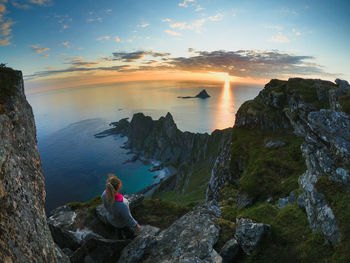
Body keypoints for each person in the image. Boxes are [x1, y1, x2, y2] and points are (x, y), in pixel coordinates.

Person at [101, 174, 141, 239]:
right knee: (128, 232)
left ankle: (119, 239)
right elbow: (128, 218)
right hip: (122, 223)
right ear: (119, 186)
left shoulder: (104, 194)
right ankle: (130, 239)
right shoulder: (122, 204)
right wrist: (136, 225)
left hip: (111, 219)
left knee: (118, 230)